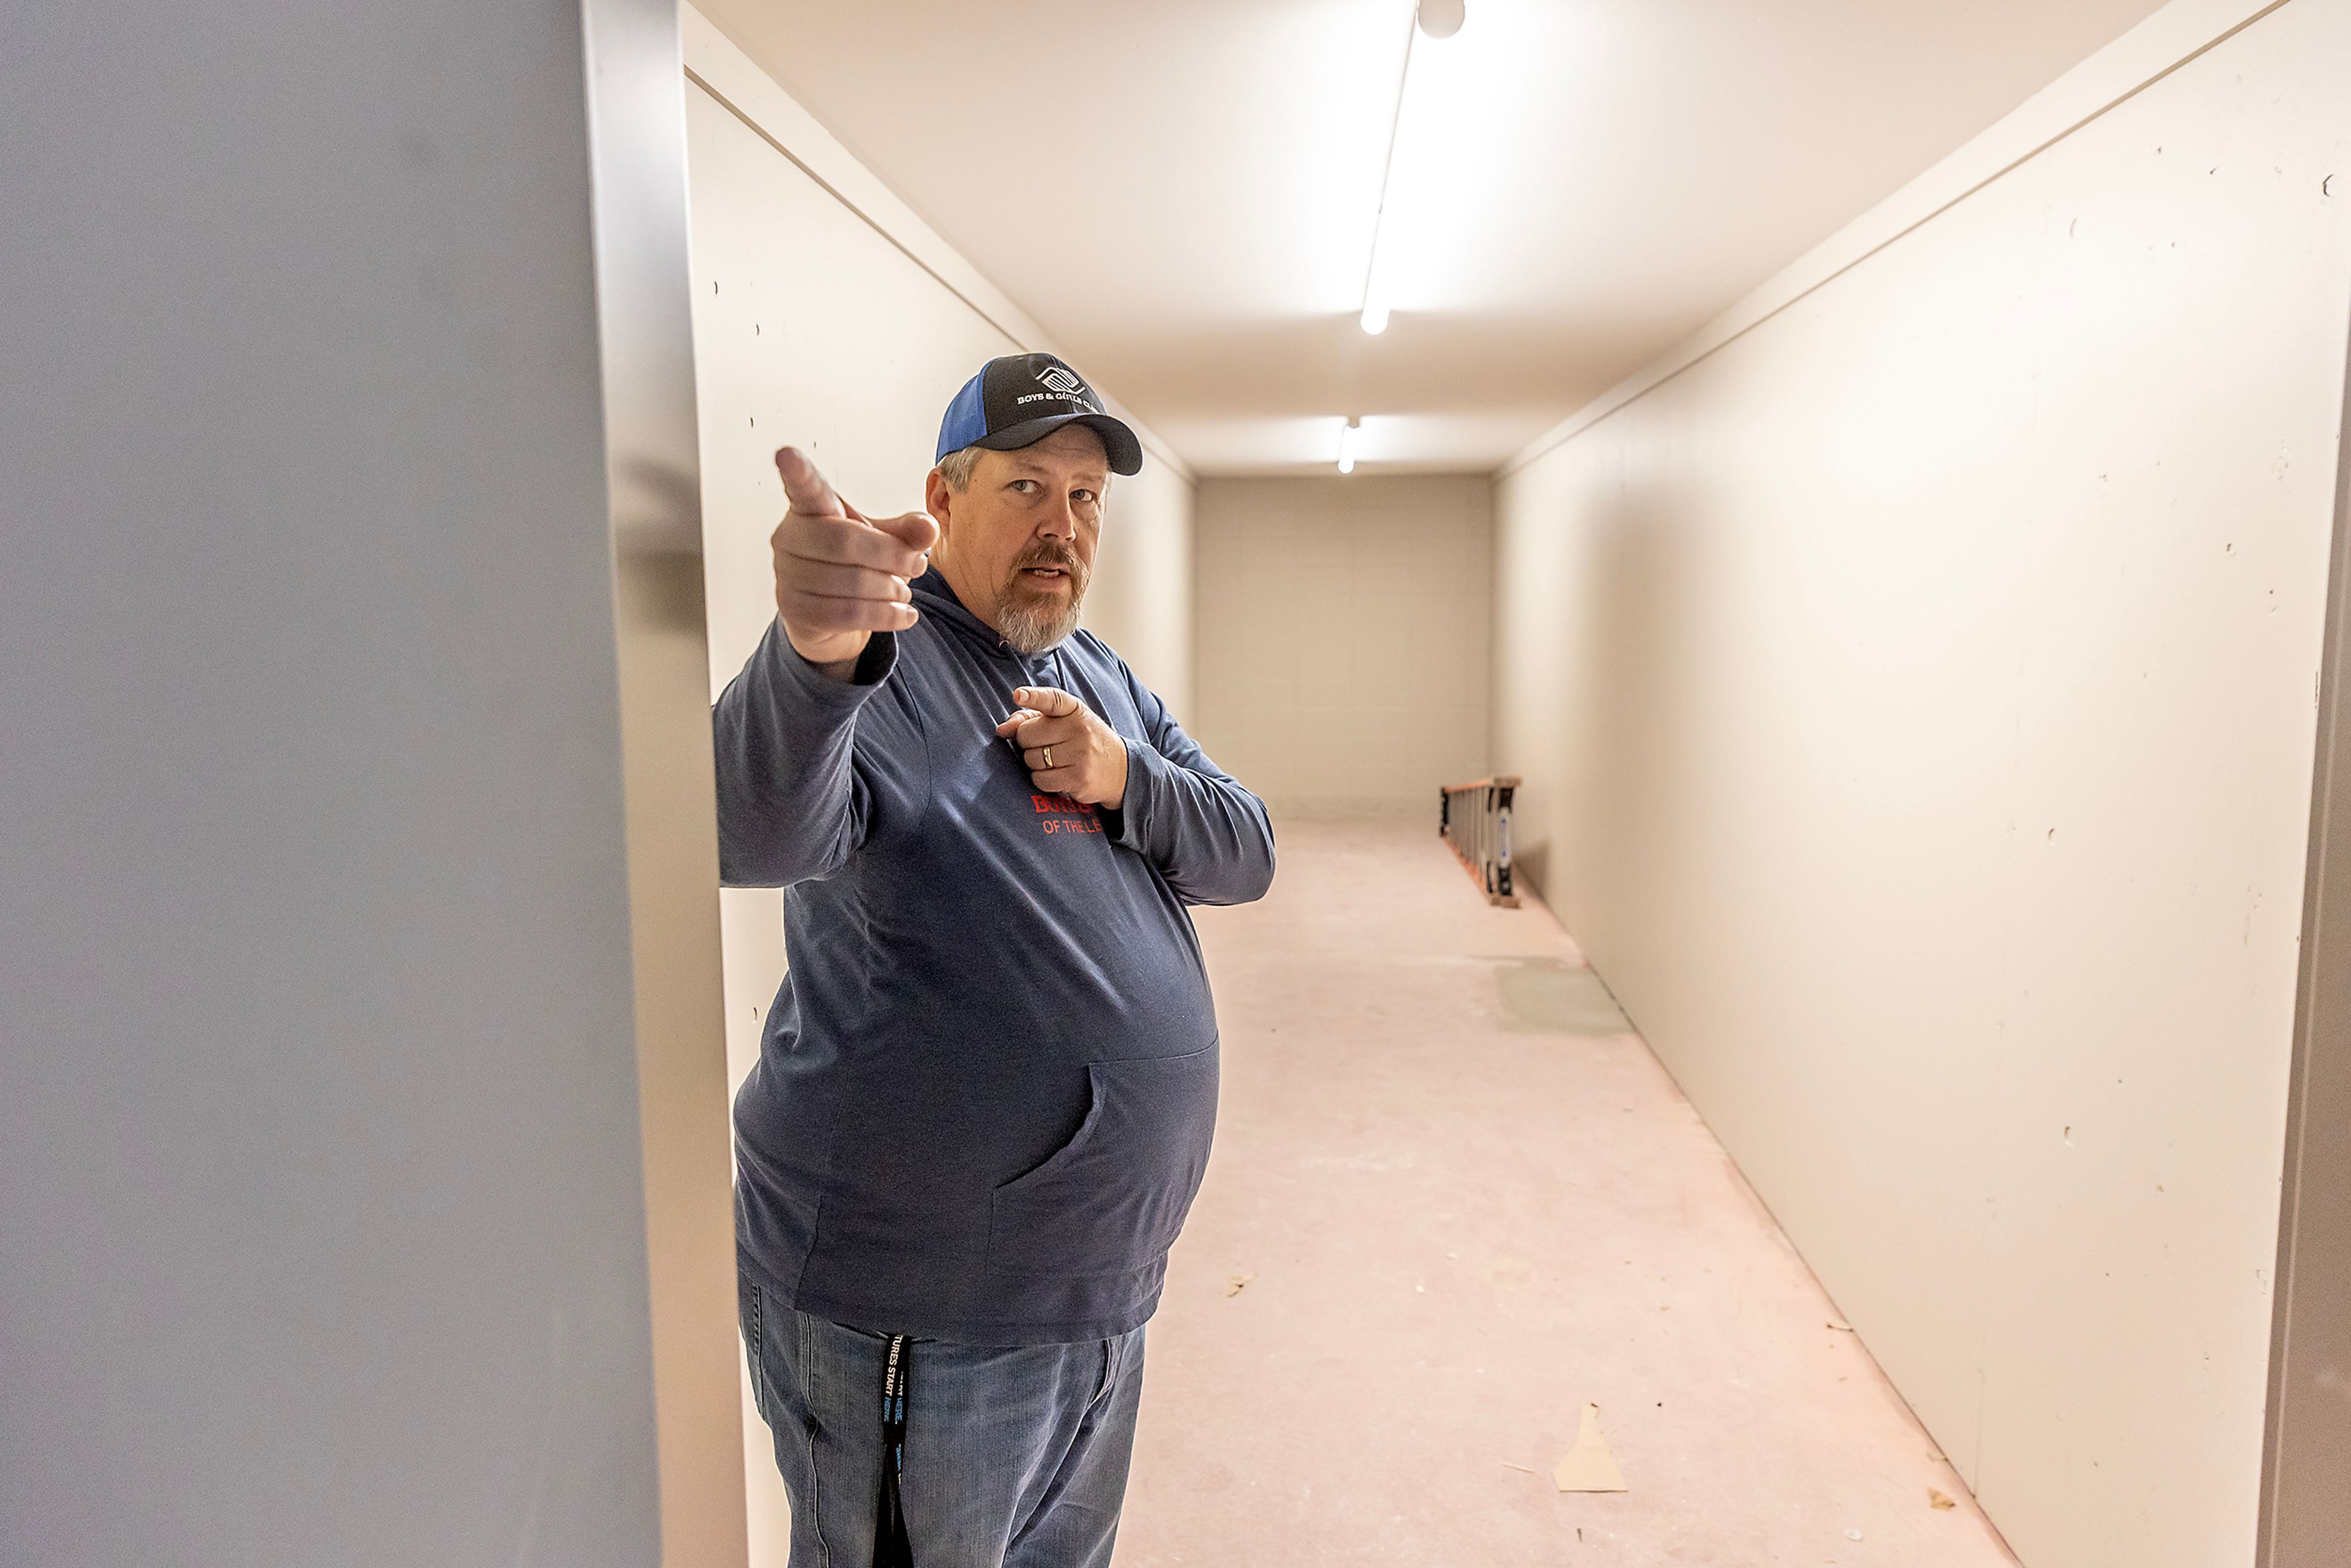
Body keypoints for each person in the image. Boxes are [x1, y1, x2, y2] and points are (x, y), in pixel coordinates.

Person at [714, 351, 1277, 1567]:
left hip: (1099, 1291)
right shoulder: (882, 664)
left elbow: (1249, 851)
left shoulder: (1099, 675)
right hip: (923, 1312)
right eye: (1028, 487)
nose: (1062, 527)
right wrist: (814, 643)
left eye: (1086, 500)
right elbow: (748, 829)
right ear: (945, 494)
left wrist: (1127, 778)